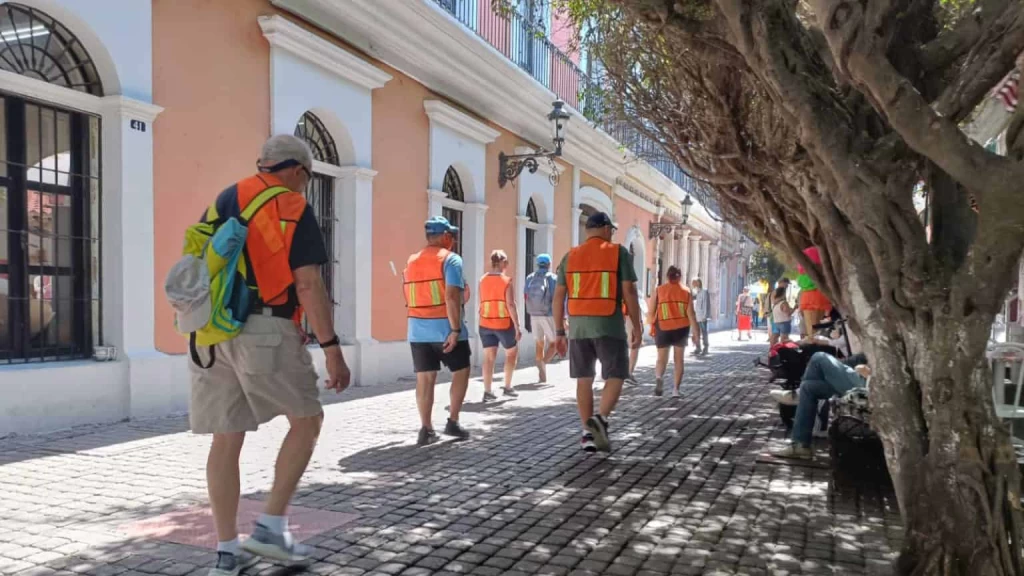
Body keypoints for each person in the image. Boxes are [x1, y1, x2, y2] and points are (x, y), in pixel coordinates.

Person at [179, 135, 351, 576]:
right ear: (296, 170)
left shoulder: (225, 198)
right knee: (308, 419)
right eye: (309, 178)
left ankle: (225, 553)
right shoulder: (293, 207)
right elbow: (308, 284)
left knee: (226, 437)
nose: (307, 186)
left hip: (210, 331)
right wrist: (332, 349)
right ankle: (271, 528)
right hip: (265, 328)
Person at [553, 212, 641, 453]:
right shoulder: (618, 252)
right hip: (609, 325)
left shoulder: (570, 256)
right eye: (611, 230)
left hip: (578, 328)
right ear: (604, 229)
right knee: (616, 374)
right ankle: (600, 419)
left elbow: (559, 296)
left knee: (584, 379)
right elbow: (630, 292)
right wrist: (638, 326)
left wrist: (559, 331)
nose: (612, 234)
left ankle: (586, 434)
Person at [404, 216, 471, 446]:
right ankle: (453, 421)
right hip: (445, 328)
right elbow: (452, 296)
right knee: (461, 371)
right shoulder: (451, 260)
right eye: (451, 235)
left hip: (417, 330)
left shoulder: (412, 260)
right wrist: (454, 329)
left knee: (425, 379)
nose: (452, 240)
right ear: (444, 237)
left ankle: (426, 428)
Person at [772, 352, 871, 460]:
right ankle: (800, 445)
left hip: (868, 384)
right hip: (862, 379)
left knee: (819, 356)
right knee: (808, 387)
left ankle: (797, 395)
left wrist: (868, 372)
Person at [648, 266, 698, 397]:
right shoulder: (686, 291)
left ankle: (659, 377)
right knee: (679, 360)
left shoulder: (659, 290)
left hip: (663, 327)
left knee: (661, 359)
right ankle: (676, 390)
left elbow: (651, 311)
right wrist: (696, 335)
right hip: (681, 329)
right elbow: (691, 315)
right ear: (680, 277)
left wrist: (650, 326)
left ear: (667, 276)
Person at [479, 250, 521, 401]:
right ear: (502, 263)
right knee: (511, 353)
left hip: (485, 322)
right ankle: (508, 387)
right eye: (507, 262)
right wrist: (517, 326)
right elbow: (510, 304)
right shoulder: (506, 281)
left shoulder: (482, 279)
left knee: (489, 357)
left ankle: (487, 391)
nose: (508, 265)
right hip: (503, 323)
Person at [524, 254, 558, 383]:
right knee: (554, 344)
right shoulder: (553, 278)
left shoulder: (530, 277)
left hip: (533, 314)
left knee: (539, 343)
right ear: (549, 264)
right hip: (547, 314)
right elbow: (557, 298)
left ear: (538, 264)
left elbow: (526, 295)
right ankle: (543, 364)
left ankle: (542, 376)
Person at [691, 278, 712, 356]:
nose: (693, 285)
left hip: (702, 316)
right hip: (696, 316)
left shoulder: (704, 291)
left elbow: (706, 304)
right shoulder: (696, 292)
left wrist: (705, 315)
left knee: (704, 332)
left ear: (698, 283)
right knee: (696, 332)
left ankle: (705, 347)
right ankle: (698, 347)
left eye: (694, 283)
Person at [769, 282, 794, 346]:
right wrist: (795, 308)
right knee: (784, 339)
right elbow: (788, 313)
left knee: (774, 337)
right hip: (784, 322)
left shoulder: (774, 304)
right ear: (783, 293)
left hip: (776, 322)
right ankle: (783, 352)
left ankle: (772, 350)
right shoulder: (784, 303)